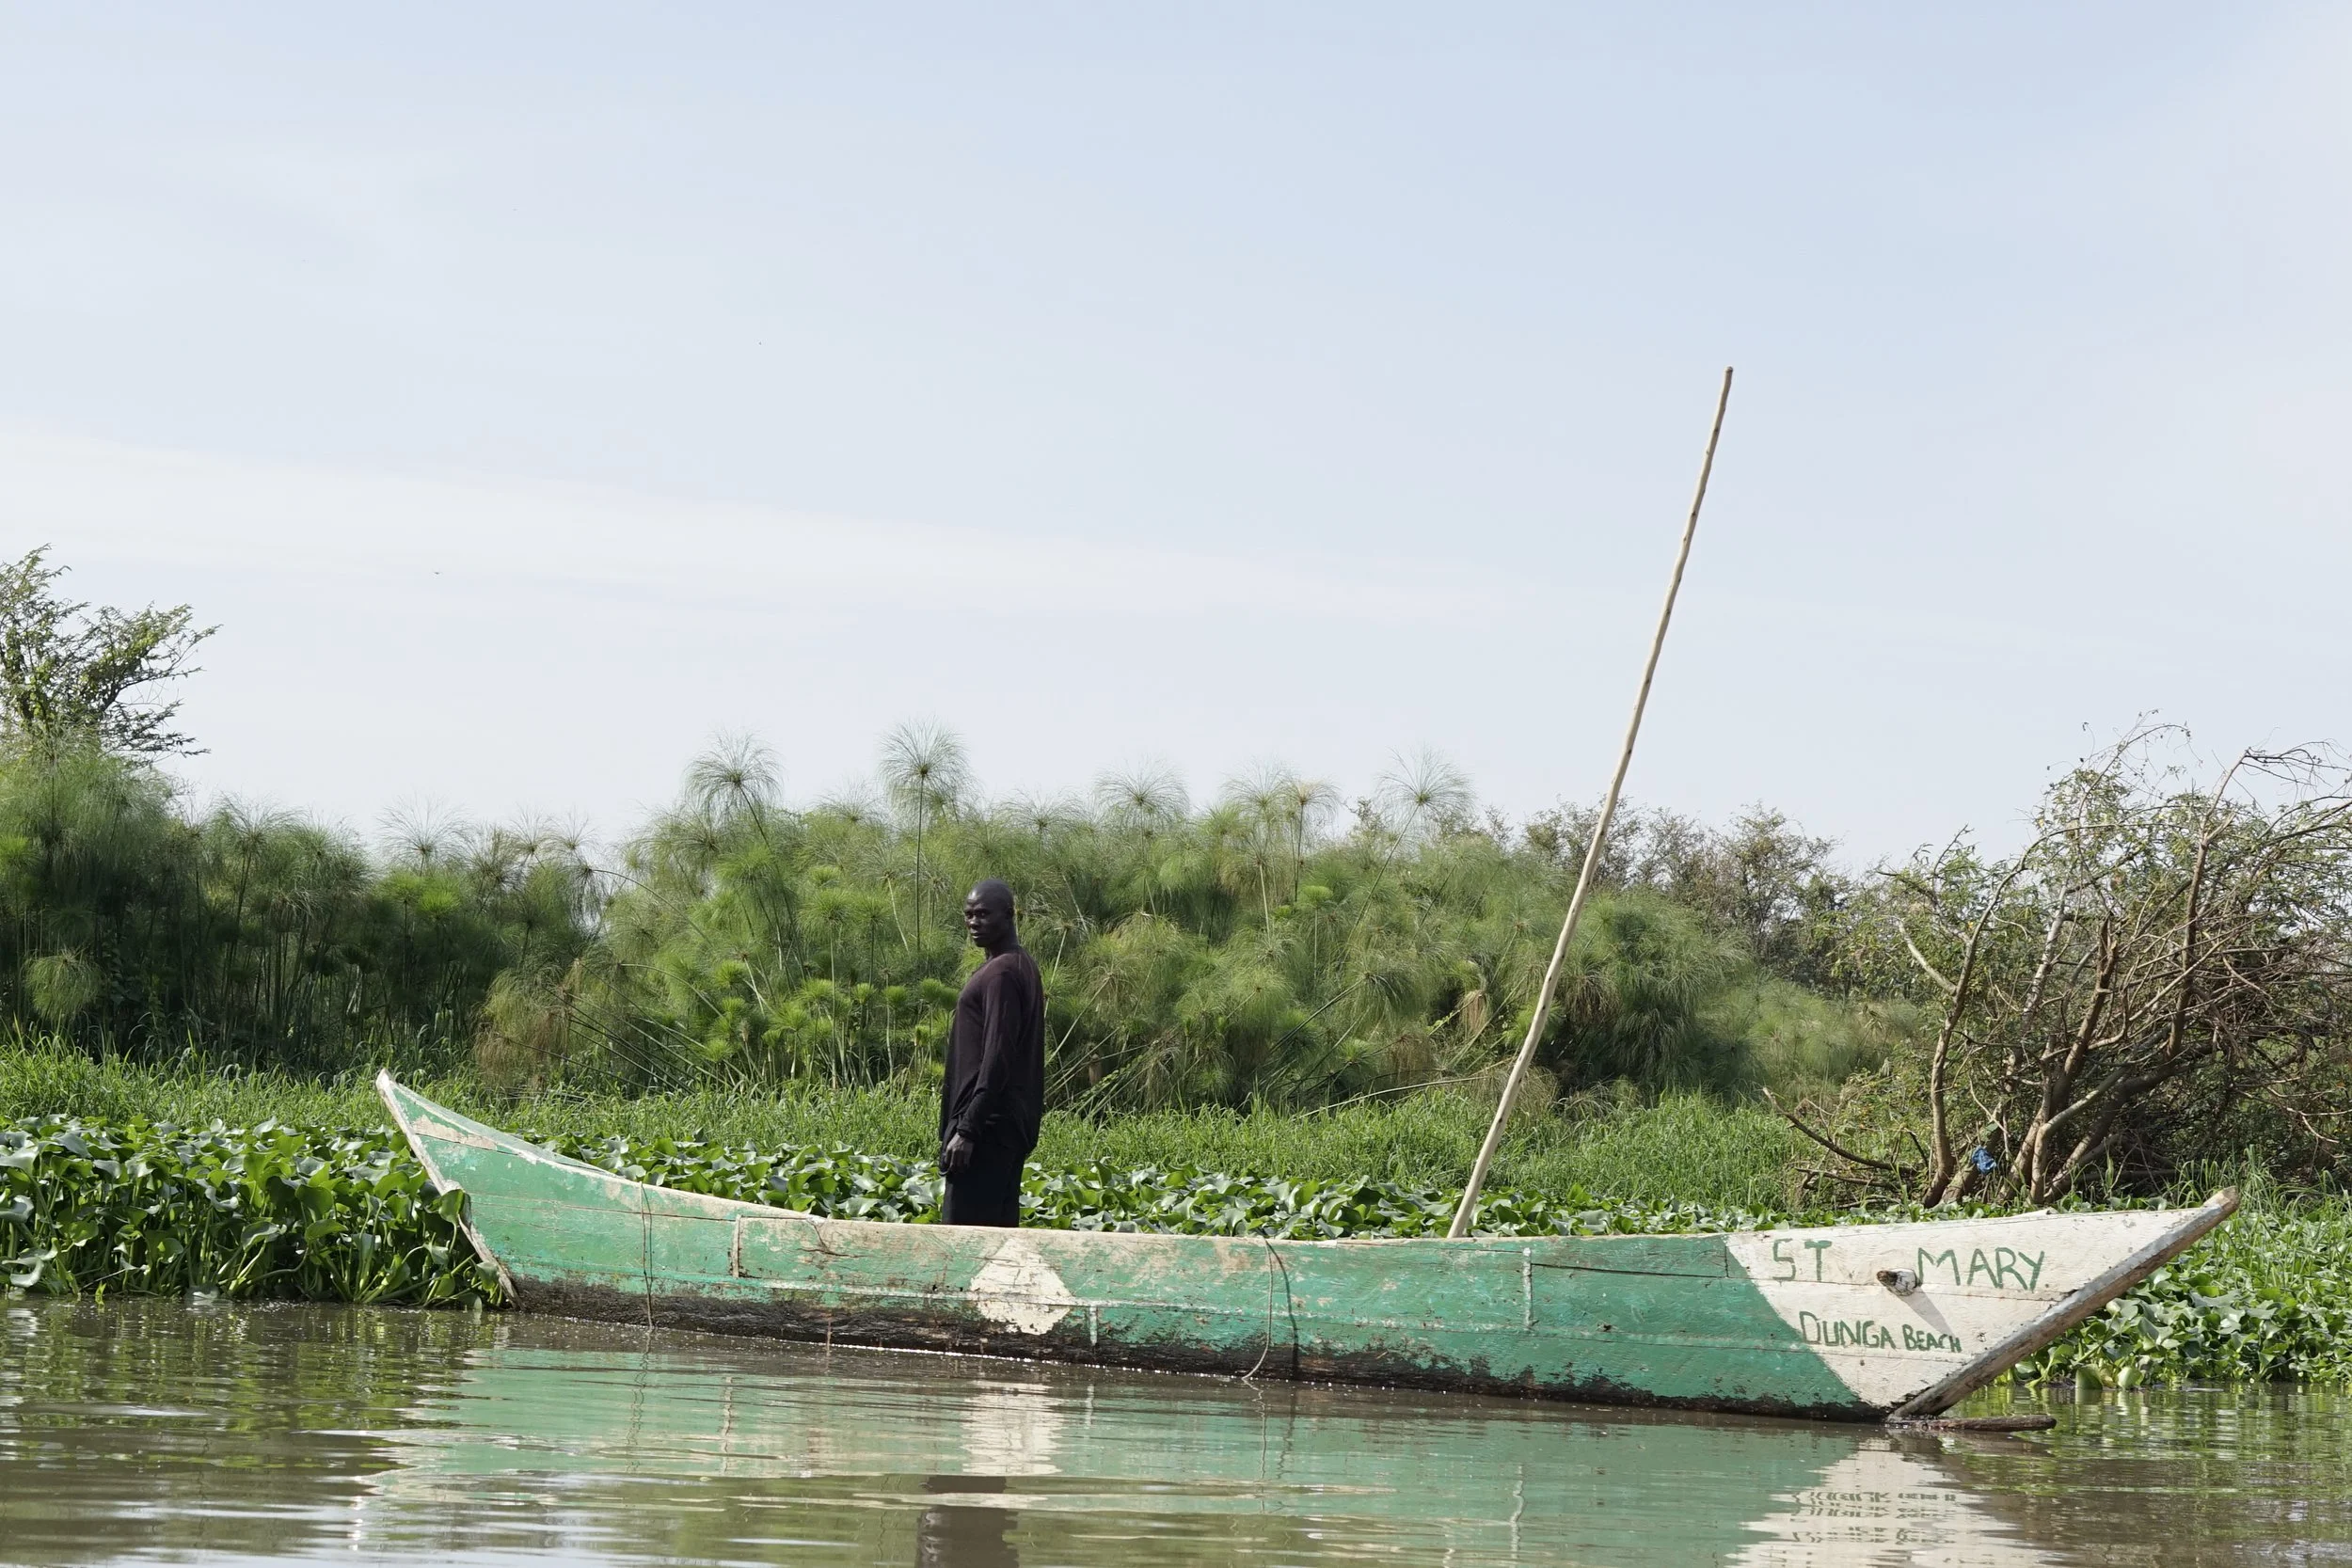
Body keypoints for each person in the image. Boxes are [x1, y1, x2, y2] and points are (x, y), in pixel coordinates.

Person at [938, 879, 1045, 1227]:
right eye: (969, 915)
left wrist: (968, 1130)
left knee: (965, 1245)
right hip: (999, 1128)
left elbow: (998, 1056)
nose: (973, 922)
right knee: (997, 1241)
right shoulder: (1016, 964)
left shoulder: (1002, 973)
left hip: (988, 1131)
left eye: (983, 914)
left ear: (1010, 916)